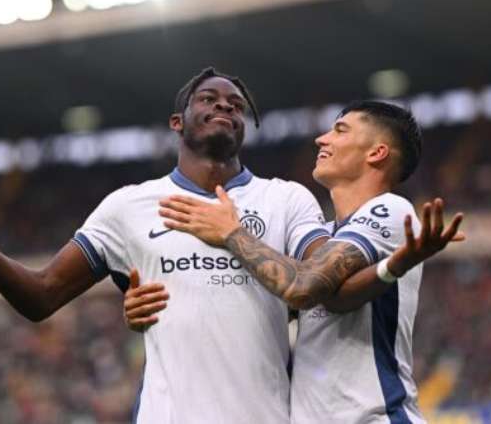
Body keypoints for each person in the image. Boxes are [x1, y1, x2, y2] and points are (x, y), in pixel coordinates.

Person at [0, 67, 333, 424]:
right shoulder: (129, 206)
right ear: (177, 122)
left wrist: (234, 236)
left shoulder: (285, 199)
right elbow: (42, 295)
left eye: (236, 105)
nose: (224, 106)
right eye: (208, 99)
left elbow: (321, 282)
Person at [154, 100, 464, 423]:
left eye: (340, 130)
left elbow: (303, 286)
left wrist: (232, 233)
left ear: (376, 153)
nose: (321, 139)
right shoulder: (324, 236)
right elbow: (328, 298)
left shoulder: (390, 209)